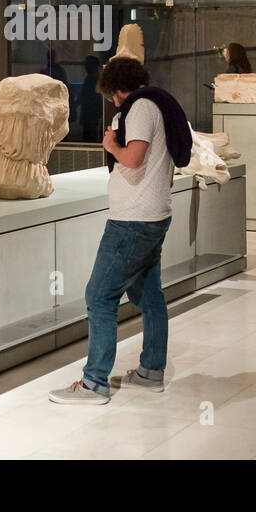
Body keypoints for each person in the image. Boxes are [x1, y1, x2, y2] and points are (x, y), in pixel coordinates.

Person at [49, 55, 191, 404]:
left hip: (133, 220)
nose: (112, 101)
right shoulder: (159, 104)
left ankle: (94, 383)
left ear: (118, 88)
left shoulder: (141, 107)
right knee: (149, 295)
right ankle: (151, 371)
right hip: (152, 214)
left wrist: (111, 145)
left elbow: (134, 157)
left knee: (99, 296)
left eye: (112, 94)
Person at [79, 54, 104, 142]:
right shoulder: (90, 78)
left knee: (90, 137)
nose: (85, 66)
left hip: (92, 115)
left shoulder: (94, 79)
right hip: (90, 114)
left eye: (87, 64)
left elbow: (91, 97)